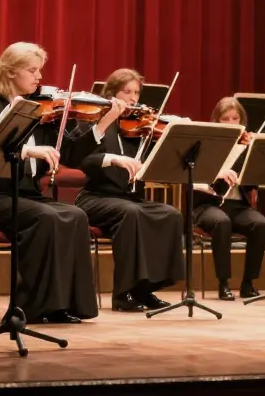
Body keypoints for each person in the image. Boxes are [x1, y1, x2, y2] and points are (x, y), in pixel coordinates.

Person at [0, 42, 126, 324]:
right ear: (11, 72)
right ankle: (30, 307)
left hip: (28, 197)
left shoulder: (43, 110)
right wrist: (27, 150)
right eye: (32, 70)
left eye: (40, 70)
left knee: (76, 215)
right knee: (46, 217)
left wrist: (104, 123)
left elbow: (73, 155)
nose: (39, 77)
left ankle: (63, 305)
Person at [75, 68, 186, 312]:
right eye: (127, 92)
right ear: (112, 93)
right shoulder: (95, 121)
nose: (133, 98)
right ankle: (122, 294)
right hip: (96, 197)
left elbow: (161, 161)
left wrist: (176, 132)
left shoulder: (139, 127)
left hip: (129, 198)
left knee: (171, 214)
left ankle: (145, 289)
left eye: (136, 93)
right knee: (131, 213)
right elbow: (81, 159)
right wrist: (111, 158)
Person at [191, 96, 265, 300]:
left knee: (261, 224)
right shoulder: (205, 145)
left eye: (235, 118)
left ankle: (248, 283)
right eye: (225, 119)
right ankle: (223, 283)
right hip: (208, 206)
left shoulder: (246, 148)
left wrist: (255, 159)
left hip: (237, 206)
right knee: (222, 222)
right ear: (216, 121)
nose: (231, 123)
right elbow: (194, 180)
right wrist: (217, 174)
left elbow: (253, 183)